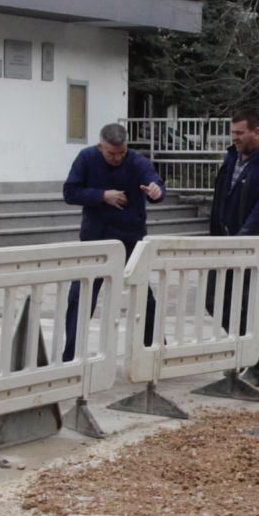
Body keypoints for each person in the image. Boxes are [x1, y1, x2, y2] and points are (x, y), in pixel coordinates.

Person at [59, 121, 163, 358]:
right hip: (96, 239)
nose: (117, 158)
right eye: (111, 154)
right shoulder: (86, 159)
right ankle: (72, 354)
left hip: (130, 239)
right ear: (100, 147)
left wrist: (156, 191)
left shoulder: (137, 161)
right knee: (80, 296)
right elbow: (70, 192)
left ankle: (153, 348)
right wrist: (101, 196)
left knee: (144, 298)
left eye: (121, 153)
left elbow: (154, 181)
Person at [208, 110, 259, 384]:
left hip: (258, 246)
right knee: (215, 299)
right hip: (227, 242)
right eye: (233, 134)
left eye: (240, 133)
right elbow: (222, 197)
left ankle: (255, 366)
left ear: (257, 132)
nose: (236, 139)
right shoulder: (232, 157)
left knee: (252, 304)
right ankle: (243, 349)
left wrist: (244, 240)